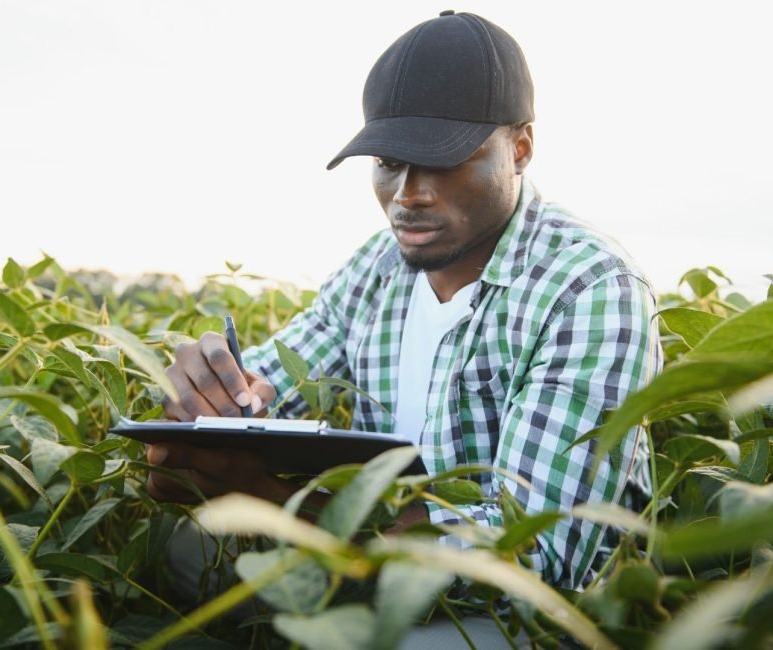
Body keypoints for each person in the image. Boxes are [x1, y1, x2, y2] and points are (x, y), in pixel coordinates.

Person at [147, 9, 661, 645]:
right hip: (363, 556)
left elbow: (541, 555)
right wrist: (208, 408)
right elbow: (269, 382)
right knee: (189, 553)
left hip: (512, 612)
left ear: (520, 148)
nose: (407, 194)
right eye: (388, 162)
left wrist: (289, 508)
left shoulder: (588, 288)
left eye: (441, 161)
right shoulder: (378, 266)